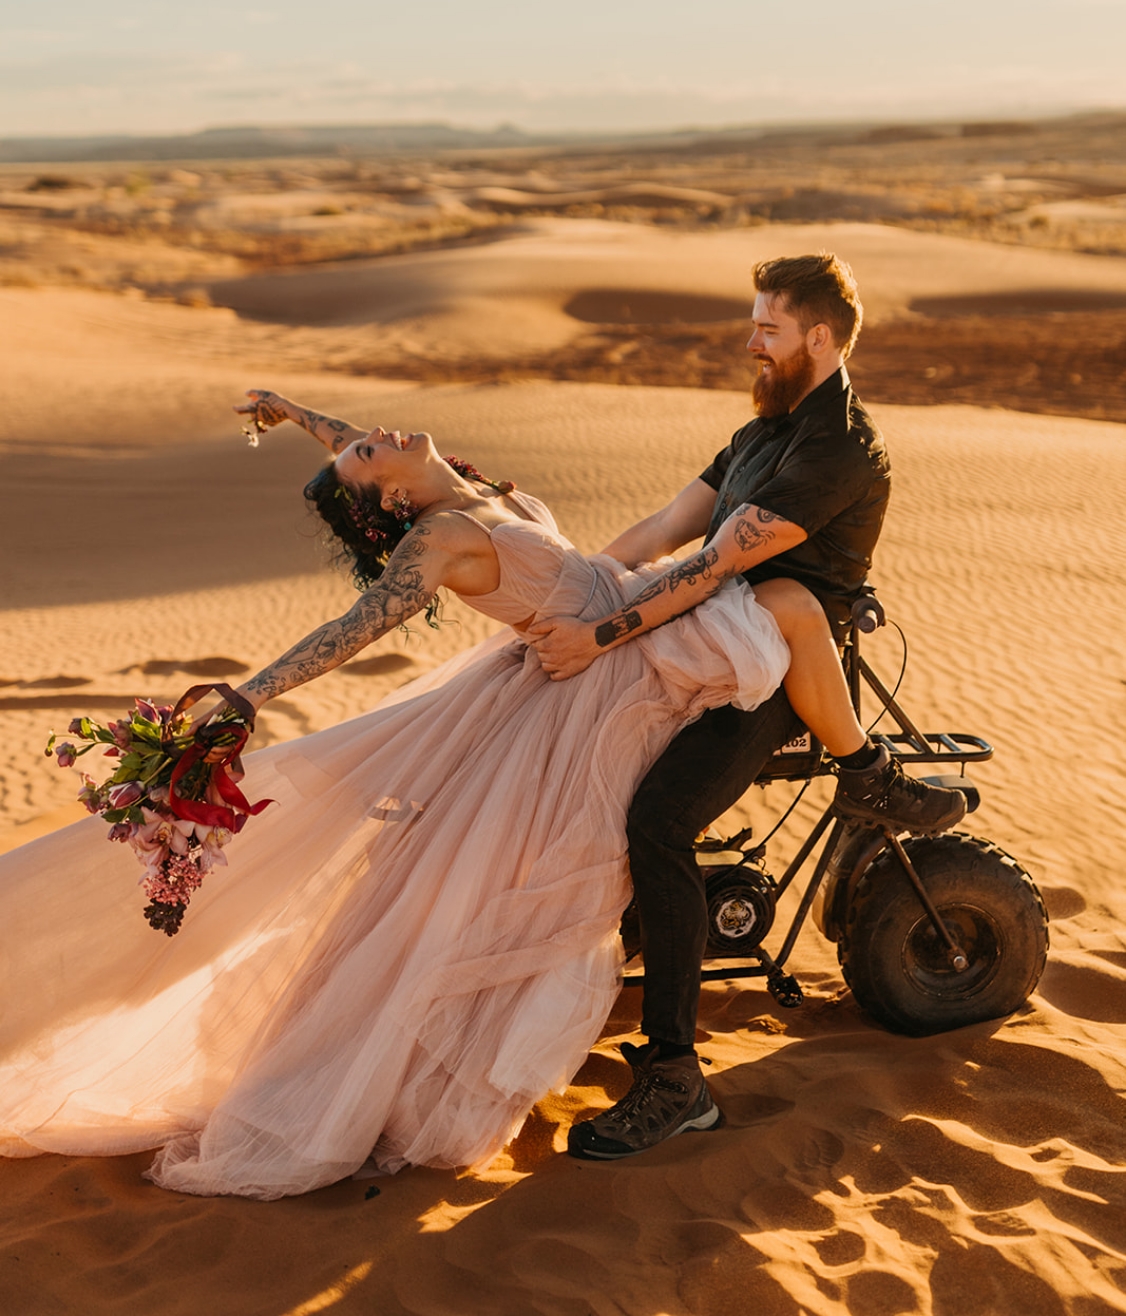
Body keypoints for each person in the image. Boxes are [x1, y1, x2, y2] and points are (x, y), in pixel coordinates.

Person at [0, 384, 908, 1200]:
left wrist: (293, 415)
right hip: (609, 680)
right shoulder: (437, 538)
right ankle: (668, 1055)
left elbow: (367, 445)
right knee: (762, 648)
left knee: (763, 635)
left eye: (360, 440)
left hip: (626, 632)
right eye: (363, 453)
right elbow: (354, 626)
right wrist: (247, 695)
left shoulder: (452, 492)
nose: (371, 433)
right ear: (392, 498)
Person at [529, 252, 966, 1162]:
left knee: (659, 818)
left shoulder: (840, 447)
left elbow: (719, 562)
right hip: (699, 644)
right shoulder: (757, 433)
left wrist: (603, 634)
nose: (750, 342)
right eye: (753, 325)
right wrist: (573, 595)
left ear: (818, 337)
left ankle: (678, 1078)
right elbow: (662, 532)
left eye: (767, 329)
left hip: (778, 677)